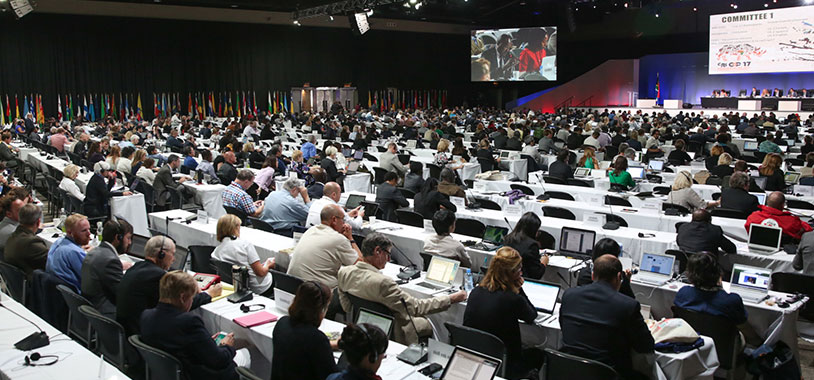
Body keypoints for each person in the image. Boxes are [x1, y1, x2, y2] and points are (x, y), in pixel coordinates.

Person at [337, 233, 466, 344]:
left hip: (363, 325)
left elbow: (346, 307)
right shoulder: (383, 282)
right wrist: (450, 299)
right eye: (388, 254)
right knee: (428, 323)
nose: (389, 259)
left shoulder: (344, 272)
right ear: (378, 251)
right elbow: (416, 307)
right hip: (396, 330)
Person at [560, 255, 654, 379]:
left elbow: (563, 327)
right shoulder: (628, 305)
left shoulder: (569, 295)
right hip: (607, 374)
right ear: (619, 277)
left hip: (568, 370)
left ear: (592, 275)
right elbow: (646, 346)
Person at [140, 272, 245, 380]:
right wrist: (227, 346)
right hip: (197, 374)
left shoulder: (146, 316)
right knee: (246, 354)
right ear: (182, 298)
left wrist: (206, 342)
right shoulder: (188, 322)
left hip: (168, 374)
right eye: (191, 298)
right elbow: (219, 360)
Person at [463, 247, 541, 379]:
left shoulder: (476, 291)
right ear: (512, 273)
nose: (521, 273)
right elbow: (531, 315)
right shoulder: (512, 298)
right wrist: (519, 289)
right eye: (519, 270)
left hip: (476, 354)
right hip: (506, 361)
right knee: (538, 354)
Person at [117, 235, 218, 336]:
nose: (174, 259)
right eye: (173, 254)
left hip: (127, 331)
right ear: (162, 254)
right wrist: (208, 294)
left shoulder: (136, 268)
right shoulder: (157, 276)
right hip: (141, 333)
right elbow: (179, 304)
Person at [272, 281, 338, 380]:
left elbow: (301, 345)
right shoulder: (316, 338)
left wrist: (330, 344)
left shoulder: (282, 323)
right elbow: (332, 376)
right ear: (322, 309)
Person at [288, 204, 362, 290]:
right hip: (318, 291)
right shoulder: (338, 239)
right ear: (334, 220)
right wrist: (350, 238)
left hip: (293, 286)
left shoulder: (311, 230)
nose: (344, 223)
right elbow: (361, 265)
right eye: (343, 219)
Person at [674, 251, 748, 324]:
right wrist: (721, 288)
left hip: (691, 331)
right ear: (718, 273)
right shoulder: (732, 300)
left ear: (689, 274)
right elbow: (742, 321)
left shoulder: (683, 293)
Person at [81, 219, 134, 317]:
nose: (130, 242)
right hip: (104, 312)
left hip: (91, 306)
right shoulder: (111, 260)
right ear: (118, 237)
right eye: (128, 238)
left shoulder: (93, 252)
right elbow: (121, 294)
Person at [211, 214, 275, 295]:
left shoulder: (216, 252)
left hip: (236, 286)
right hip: (259, 287)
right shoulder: (245, 245)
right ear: (235, 228)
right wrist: (268, 265)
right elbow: (261, 273)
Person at [46, 214, 92, 291]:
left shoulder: (57, 243)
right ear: (70, 233)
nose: (89, 234)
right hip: (76, 294)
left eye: (89, 229)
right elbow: (90, 279)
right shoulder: (74, 252)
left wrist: (79, 248)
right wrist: (93, 254)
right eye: (84, 231)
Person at [746, 191, 812, 241]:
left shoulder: (753, 217)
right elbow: (808, 230)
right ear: (783, 205)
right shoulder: (792, 221)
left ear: (767, 202)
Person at [4, 204, 48, 279]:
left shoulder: (12, 236)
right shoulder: (32, 242)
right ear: (38, 222)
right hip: (32, 281)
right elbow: (52, 261)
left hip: (16, 281)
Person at [503, 212, 548, 280]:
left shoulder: (507, 238)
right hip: (522, 280)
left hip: (505, 278)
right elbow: (536, 274)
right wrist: (544, 262)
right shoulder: (532, 245)